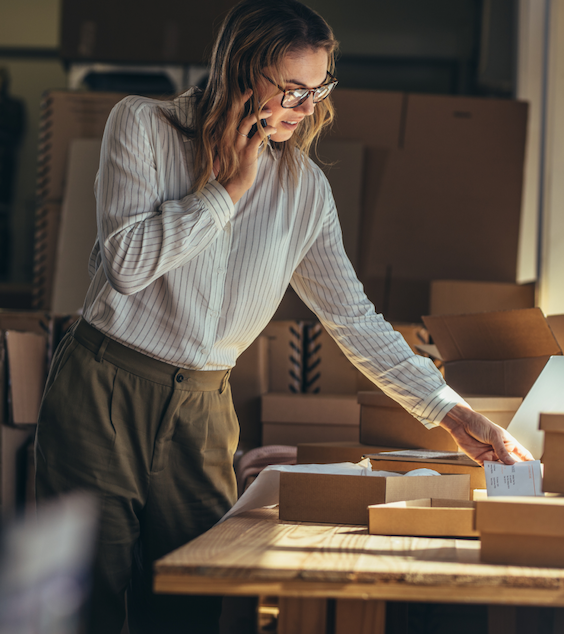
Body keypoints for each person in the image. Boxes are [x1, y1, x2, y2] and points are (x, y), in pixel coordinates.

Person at [33, 1, 534, 632]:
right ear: (241, 72)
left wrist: (450, 411)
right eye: (292, 89)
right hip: (102, 389)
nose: (306, 107)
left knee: (191, 606)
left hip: (204, 412)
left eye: (319, 88)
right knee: (83, 602)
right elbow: (126, 265)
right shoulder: (142, 124)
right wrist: (226, 192)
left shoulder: (304, 191)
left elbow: (353, 318)